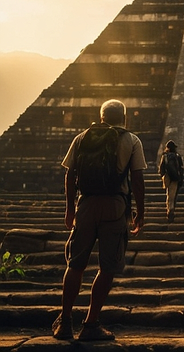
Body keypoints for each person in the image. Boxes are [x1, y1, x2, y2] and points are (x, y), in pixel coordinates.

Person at [52, 99, 146, 341]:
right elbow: (137, 180)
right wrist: (140, 213)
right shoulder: (131, 140)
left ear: (101, 116)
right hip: (115, 206)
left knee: (75, 264)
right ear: (124, 118)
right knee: (107, 267)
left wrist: (70, 209)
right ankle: (91, 323)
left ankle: (65, 322)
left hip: (86, 204)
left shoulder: (83, 137)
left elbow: (69, 173)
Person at [158, 140, 184, 223]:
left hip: (168, 177)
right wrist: (180, 177)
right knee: (173, 195)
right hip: (175, 178)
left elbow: (161, 168)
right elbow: (181, 168)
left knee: (169, 194)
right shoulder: (177, 156)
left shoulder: (164, 156)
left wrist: (163, 176)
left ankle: (169, 210)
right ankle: (171, 210)